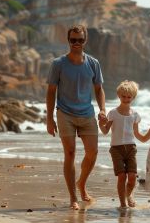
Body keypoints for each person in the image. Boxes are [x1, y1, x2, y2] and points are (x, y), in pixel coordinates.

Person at [46, 25, 106, 210]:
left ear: (85, 41)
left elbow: (98, 89)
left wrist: (102, 109)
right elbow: (51, 92)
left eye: (80, 40)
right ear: (68, 40)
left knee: (92, 152)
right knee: (70, 153)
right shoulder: (58, 64)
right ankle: (73, 196)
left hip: (87, 113)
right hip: (65, 113)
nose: (77, 43)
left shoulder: (93, 63)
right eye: (73, 40)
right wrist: (49, 118)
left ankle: (82, 183)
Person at [99, 80, 141, 209]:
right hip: (116, 149)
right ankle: (122, 203)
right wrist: (100, 123)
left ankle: (129, 195)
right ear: (119, 95)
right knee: (122, 176)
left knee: (132, 177)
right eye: (123, 96)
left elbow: (137, 134)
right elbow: (105, 131)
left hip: (131, 148)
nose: (126, 99)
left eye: (129, 97)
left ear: (133, 98)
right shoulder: (113, 113)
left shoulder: (135, 115)